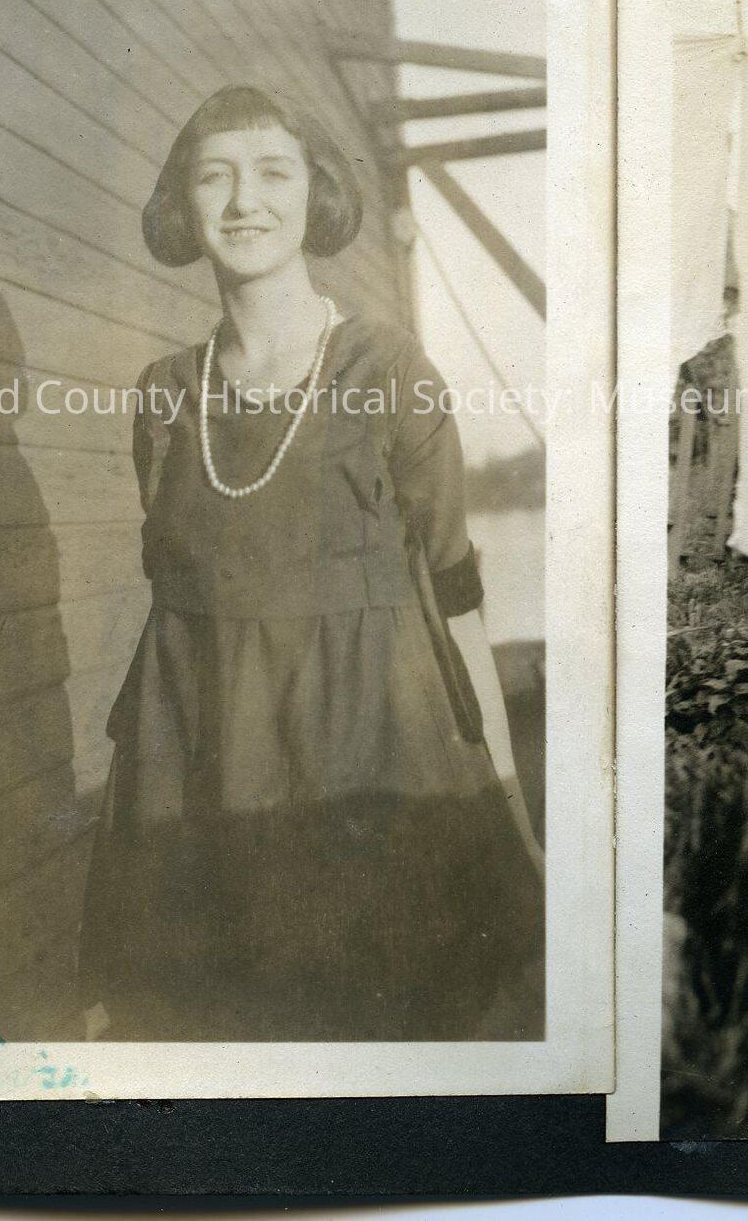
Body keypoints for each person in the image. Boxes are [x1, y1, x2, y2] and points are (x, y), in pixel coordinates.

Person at [77, 84, 543, 1041]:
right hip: (202, 784)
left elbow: (456, 598)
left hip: (368, 764)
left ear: (314, 192)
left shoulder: (388, 369)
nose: (244, 201)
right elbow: (182, 615)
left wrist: (505, 801)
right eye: (215, 177)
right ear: (183, 204)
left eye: (272, 173)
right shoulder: (163, 397)